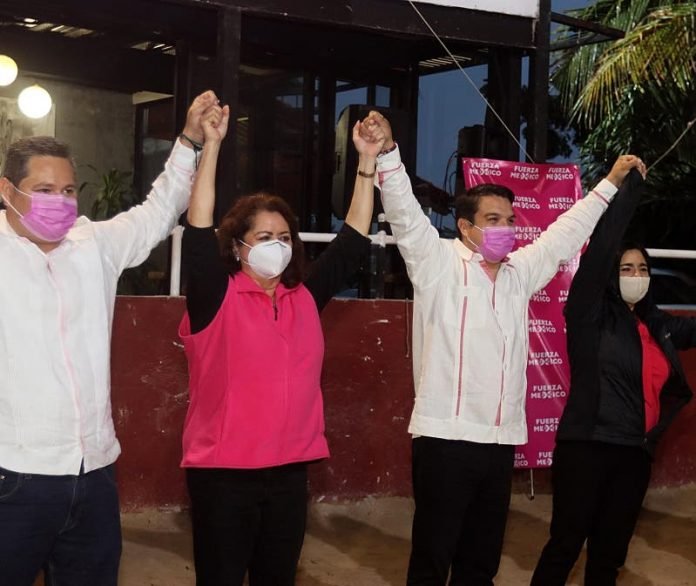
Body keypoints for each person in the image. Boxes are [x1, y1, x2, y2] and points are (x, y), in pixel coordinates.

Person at [360, 111, 645, 585]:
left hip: (499, 444)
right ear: (465, 226)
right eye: (493, 220)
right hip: (446, 440)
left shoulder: (519, 273)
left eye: (511, 221)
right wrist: (388, 153)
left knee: (481, 563)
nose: (506, 229)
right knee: (432, 560)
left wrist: (611, 182)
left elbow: (566, 233)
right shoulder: (436, 263)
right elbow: (406, 213)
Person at [0, 90, 218, 586]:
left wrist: (189, 140)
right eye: (44, 189)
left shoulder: (92, 244)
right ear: (7, 190)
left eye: (68, 190)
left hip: (94, 473)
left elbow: (158, 211)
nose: (60, 202)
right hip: (13, 476)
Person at [178, 107, 382, 586]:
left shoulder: (304, 298)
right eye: (264, 237)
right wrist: (211, 146)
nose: (278, 245)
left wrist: (367, 162)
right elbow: (198, 226)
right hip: (224, 476)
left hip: (289, 473)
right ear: (237, 246)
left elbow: (353, 240)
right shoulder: (215, 296)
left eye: (285, 237)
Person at [530, 170, 696, 585]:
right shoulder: (588, 312)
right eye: (626, 268)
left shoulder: (657, 324)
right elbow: (602, 248)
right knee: (565, 547)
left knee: (609, 557)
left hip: (634, 456)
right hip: (587, 448)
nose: (635, 275)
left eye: (642, 269)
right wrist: (628, 189)